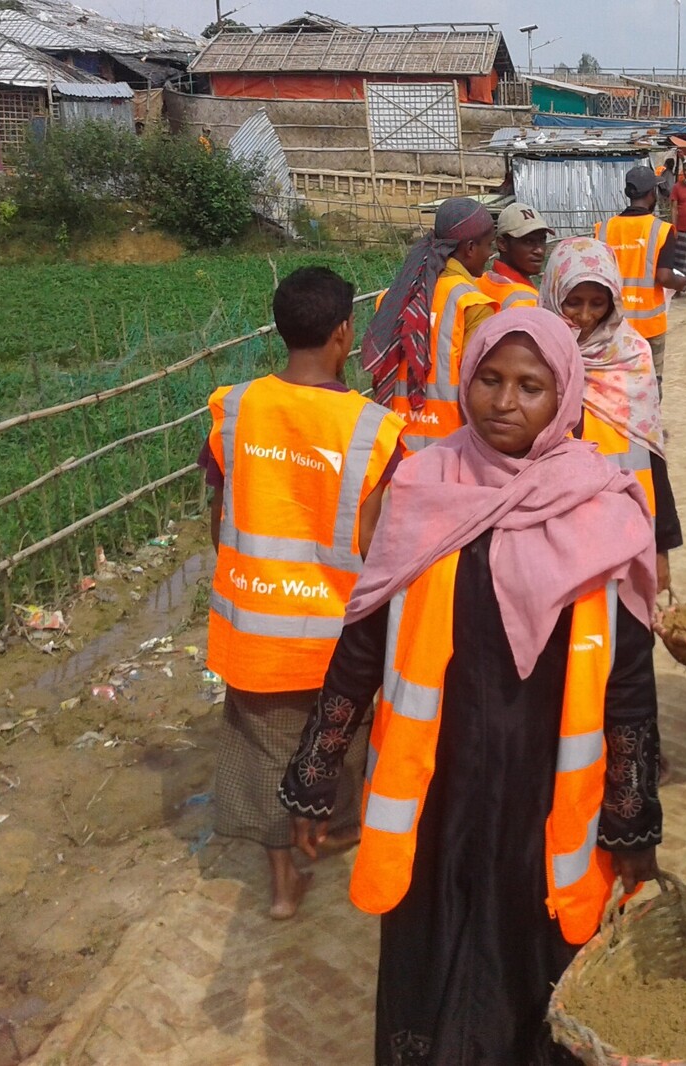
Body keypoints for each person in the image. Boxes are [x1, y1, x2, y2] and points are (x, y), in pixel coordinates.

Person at [282, 306, 662, 1066]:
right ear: (467, 377)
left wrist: (631, 824)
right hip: (437, 795)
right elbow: (362, 644)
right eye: (489, 379)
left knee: (542, 972)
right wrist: (316, 774)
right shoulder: (423, 489)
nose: (504, 402)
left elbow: (626, 682)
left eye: (530, 386)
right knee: (434, 966)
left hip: (547, 798)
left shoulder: (602, 508)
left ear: (564, 398)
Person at [204, 267, 407, 919]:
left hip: (254, 626)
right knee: (337, 741)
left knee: (266, 755)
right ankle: (335, 832)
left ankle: (283, 889)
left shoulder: (234, 409)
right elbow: (377, 540)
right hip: (336, 635)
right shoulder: (373, 429)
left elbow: (219, 519)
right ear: (344, 333)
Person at [539, 237, 683, 589]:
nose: (585, 316)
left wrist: (661, 547)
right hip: (552, 531)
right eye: (573, 303)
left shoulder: (633, 357)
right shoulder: (535, 358)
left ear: (613, 302)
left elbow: (651, 453)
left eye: (597, 303)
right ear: (553, 293)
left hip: (626, 524)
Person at [362, 198, 498, 450]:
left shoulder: (393, 298)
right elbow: (482, 387)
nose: (490, 254)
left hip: (391, 446)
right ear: (469, 248)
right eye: (488, 245)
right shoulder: (471, 304)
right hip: (447, 452)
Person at [595, 166, 686, 376]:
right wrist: (681, 282)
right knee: (650, 388)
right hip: (649, 327)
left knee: (617, 386)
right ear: (651, 194)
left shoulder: (603, 229)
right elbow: (664, 277)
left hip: (612, 325)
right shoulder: (661, 230)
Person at [477, 202, 553, 311]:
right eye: (528, 241)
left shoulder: (481, 281)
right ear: (502, 244)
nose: (539, 250)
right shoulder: (526, 302)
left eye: (542, 240)